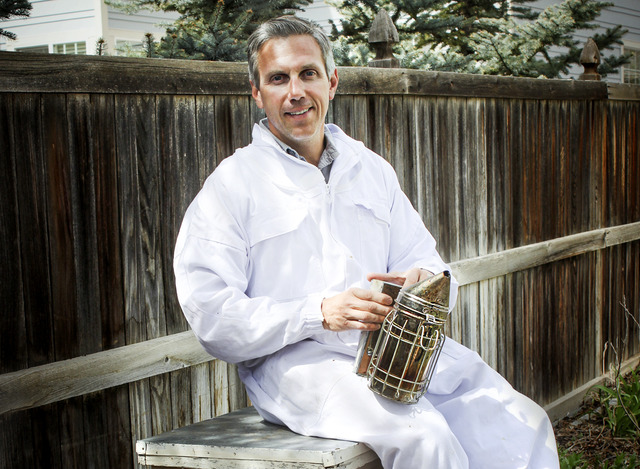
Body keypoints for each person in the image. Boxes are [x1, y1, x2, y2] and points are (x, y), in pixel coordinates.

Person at [173, 15, 560, 469]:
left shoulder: (370, 168)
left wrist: (420, 283)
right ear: (257, 93)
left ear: (332, 82)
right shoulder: (232, 185)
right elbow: (212, 316)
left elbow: (430, 264)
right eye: (278, 78)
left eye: (308, 73)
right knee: (424, 438)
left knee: (521, 422)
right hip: (296, 366)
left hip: (390, 351)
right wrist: (319, 312)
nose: (295, 91)